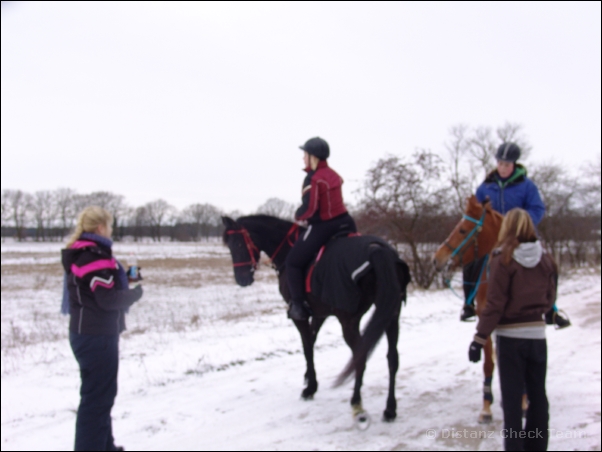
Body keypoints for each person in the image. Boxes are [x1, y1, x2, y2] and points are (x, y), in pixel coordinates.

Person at [468, 208, 555, 451]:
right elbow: (550, 298)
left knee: (512, 402)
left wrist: (479, 338)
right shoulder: (546, 259)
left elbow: (495, 304)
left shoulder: (502, 259)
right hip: (537, 337)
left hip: (510, 340)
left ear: (507, 228)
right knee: (538, 396)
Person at [461, 142, 570, 328]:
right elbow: (476, 212)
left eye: (507, 164)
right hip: (494, 237)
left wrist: (522, 224)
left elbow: (537, 209)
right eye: (500, 163)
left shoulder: (527, 186)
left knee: (547, 264)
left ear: (514, 165)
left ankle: (551, 310)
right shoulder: (485, 187)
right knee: (471, 261)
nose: (503, 168)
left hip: (521, 236)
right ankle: (469, 304)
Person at [62, 206, 143, 451]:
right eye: (110, 226)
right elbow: (107, 299)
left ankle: (106, 446)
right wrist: (134, 294)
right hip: (96, 336)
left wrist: (124, 278)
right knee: (97, 400)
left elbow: (99, 286)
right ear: (100, 227)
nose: (111, 231)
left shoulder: (85, 253)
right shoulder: (94, 257)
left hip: (87, 333)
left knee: (100, 396)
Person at [286, 137, 357, 320]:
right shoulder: (334, 174)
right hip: (346, 222)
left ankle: (298, 306)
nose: (303, 158)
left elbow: (310, 209)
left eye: (305, 154)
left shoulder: (313, 178)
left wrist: (298, 215)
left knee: (292, 262)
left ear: (313, 157)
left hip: (324, 226)